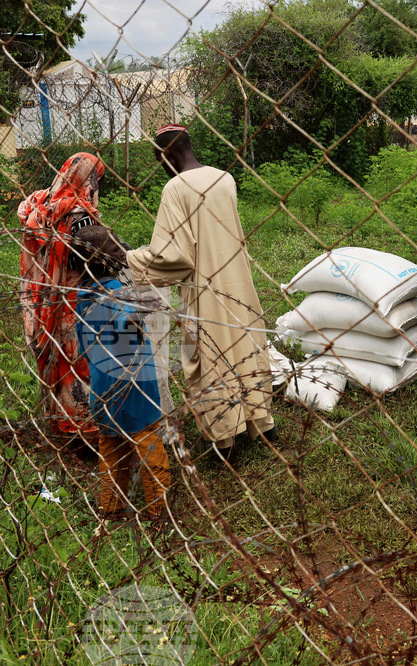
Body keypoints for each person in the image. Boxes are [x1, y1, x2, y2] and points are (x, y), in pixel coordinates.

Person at [127, 125, 275, 461]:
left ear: (169, 155)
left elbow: (174, 257)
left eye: (160, 161)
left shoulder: (175, 188)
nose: (162, 167)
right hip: (237, 282)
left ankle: (225, 442)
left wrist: (130, 259)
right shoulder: (224, 178)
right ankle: (263, 422)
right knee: (244, 348)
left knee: (211, 358)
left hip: (203, 289)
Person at [74, 225, 170, 526]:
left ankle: (110, 509)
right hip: (135, 384)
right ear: (103, 260)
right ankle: (158, 511)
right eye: (117, 250)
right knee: (149, 443)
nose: (124, 253)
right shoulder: (116, 291)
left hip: (102, 386)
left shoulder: (81, 295)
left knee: (110, 447)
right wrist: (143, 309)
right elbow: (122, 322)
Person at [18, 153, 105, 446]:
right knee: (76, 360)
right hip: (72, 297)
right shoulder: (79, 215)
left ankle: (59, 422)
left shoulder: (39, 204)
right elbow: (89, 263)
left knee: (57, 359)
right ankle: (81, 427)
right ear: (87, 180)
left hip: (41, 295)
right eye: (96, 179)